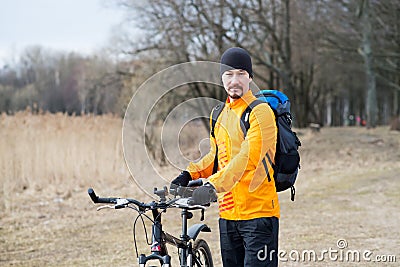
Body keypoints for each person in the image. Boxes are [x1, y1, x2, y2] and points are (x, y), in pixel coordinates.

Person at [171, 47, 280, 266]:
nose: (235, 80)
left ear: (250, 77)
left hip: (258, 216)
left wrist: (211, 185)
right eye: (229, 74)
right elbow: (216, 155)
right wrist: (189, 173)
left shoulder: (260, 112)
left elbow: (248, 158)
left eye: (241, 73)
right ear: (221, 78)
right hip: (228, 216)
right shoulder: (219, 113)